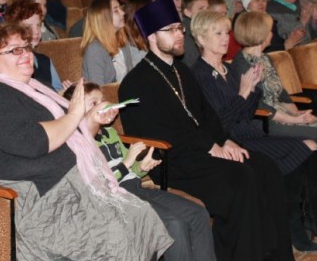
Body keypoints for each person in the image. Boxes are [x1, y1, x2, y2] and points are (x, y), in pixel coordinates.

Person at [0, 23, 173, 260]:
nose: (26, 54)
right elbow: (35, 142)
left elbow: (75, 135)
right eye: (15, 50)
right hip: (36, 199)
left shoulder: (37, 89)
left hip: (69, 186)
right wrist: (75, 114)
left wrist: (93, 118)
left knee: (140, 215)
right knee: (115, 231)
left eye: (26, 47)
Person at [119, 0, 293, 261]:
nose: (180, 35)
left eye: (180, 28)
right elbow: (160, 134)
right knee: (241, 178)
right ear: (152, 36)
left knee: (265, 167)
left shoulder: (181, 71)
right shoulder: (135, 83)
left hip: (201, 151)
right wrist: (210, 146)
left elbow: (207, 115)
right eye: (171, 30)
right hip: (173, 162)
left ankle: (277, 255)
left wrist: (225, 141)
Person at [190, 10, 317, 251]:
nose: (225, 38)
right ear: (200, 39)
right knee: (303, 150)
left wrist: (252, 88)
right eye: (217, 33)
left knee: (313, 147)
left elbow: (247, 113)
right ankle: (296, 227)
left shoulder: (228, 70)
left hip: (250, 133)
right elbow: (220, 124)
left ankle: (315, 222)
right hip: (234, 141)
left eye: (226, 32)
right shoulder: (199, 75)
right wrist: (244, 93)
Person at [232, 11, 317, 219]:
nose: (272, 33)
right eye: (269, 30)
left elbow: (281, 93)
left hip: (284, 116)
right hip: (266, 122)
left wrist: (298, 112)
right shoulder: (241, 64)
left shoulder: (264, 58)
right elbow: (258, 105)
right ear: (259, 32)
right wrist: (294, 120)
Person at [65, 82, 217, 261]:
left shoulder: (110, 133)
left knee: (198, 214)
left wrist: (141, 167)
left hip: (136, 188)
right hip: (115, 198)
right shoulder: (77, 142)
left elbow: (131, 171)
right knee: (173, 224)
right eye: (94, 103)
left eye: (103, 100)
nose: (103, 106)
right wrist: (126, 164)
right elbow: (97, 185)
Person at [5, 0, 69, 91]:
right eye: (28, 27)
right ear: (14, 29)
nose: (36, 31)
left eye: (38, 25)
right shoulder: (10, 61)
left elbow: (57, 91)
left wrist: (67, 92)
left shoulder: (44, 61)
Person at [81, 0, 139, 85]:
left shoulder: (123, 41)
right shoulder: (95, 49)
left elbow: (131, 78)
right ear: (104, 18)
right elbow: (98, 89)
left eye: (120, 9)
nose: (123, 13)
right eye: (116, 11)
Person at [179, 0, 208, 67]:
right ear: (187, 12)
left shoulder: (199, 29)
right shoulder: (185, 34)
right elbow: (194, 64)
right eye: (201, 8)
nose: (206, 12)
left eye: (207, 8)